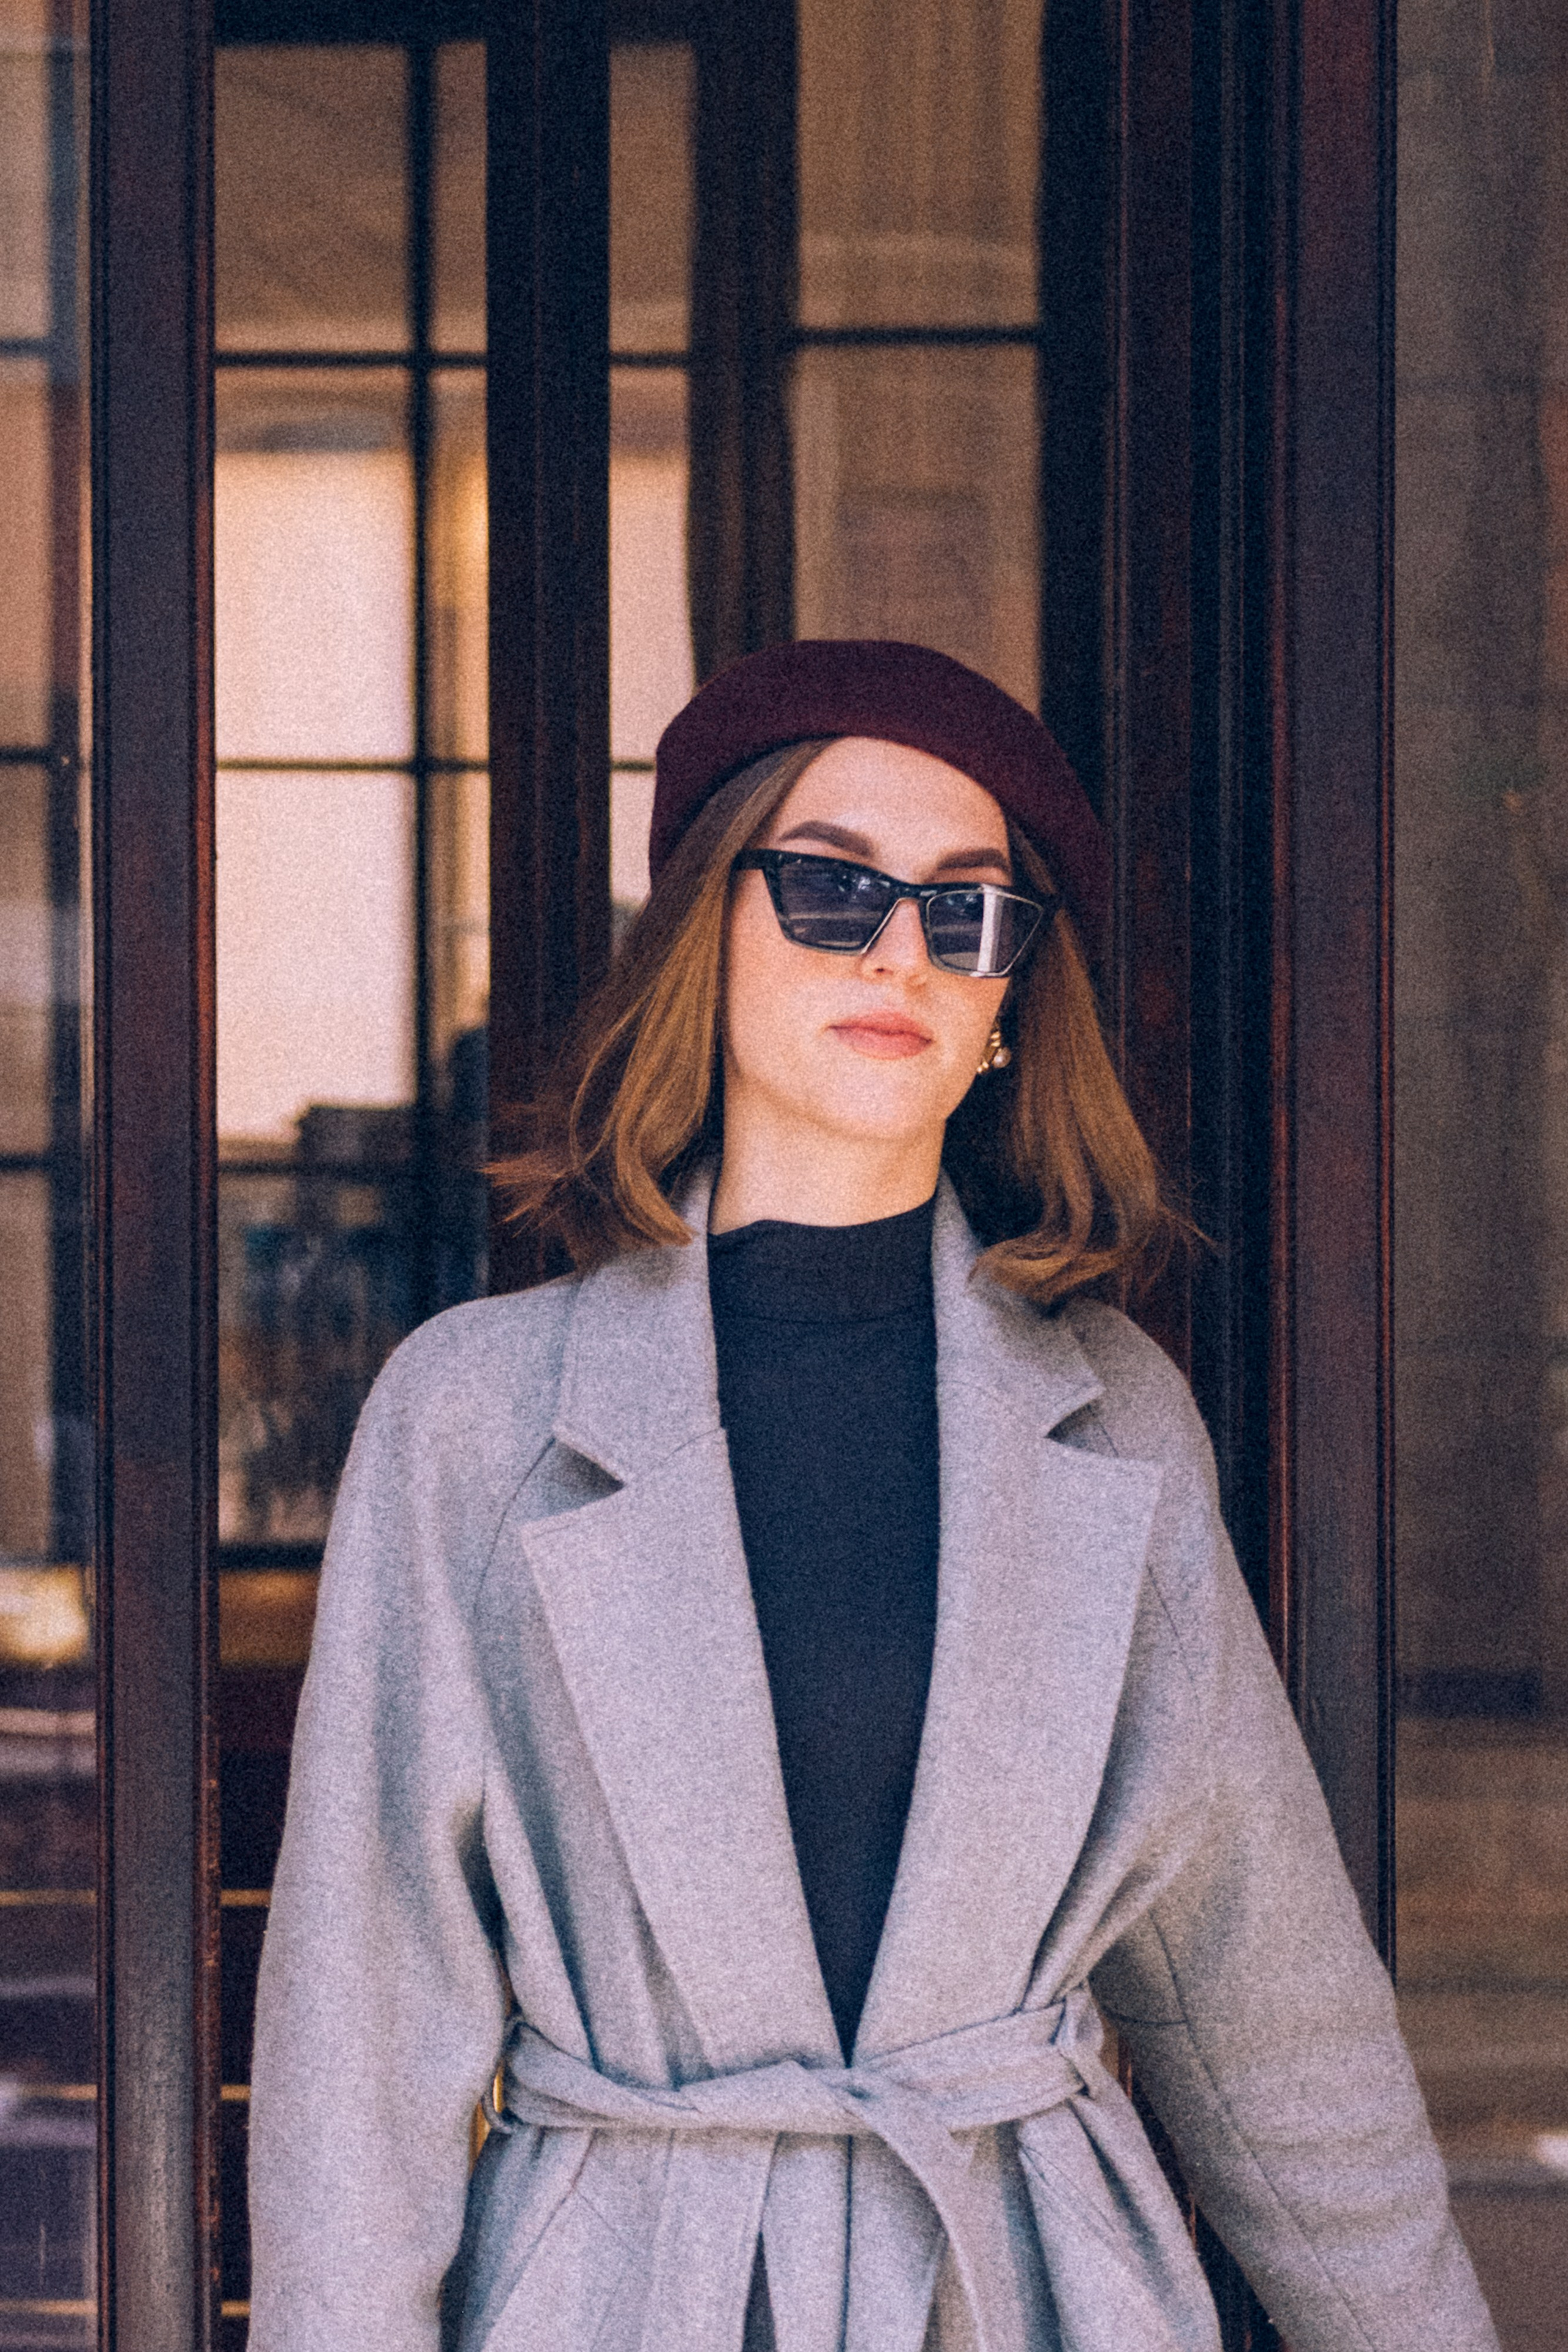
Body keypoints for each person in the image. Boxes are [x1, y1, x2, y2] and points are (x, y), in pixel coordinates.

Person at [247, 640, 1496, 2352]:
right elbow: (365, 2042)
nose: (902, 950)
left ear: (1003, 1010)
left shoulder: (1114, 1418)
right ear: (711, 932)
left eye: (966, 913)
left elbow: (1262, 2003)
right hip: (621, 2291)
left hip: (1033, 2289)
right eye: (833, 892)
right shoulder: (476, 1416)